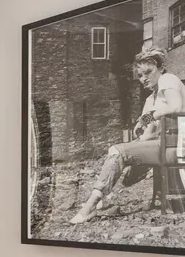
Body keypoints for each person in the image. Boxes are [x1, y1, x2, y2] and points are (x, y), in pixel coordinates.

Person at [71, 48, 185, 223]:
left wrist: (149, 116)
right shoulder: (150, 99)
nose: (144, 78)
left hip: (178, 144)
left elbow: (176, 107)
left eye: (148, 72)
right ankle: (101, 197)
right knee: (119, 154)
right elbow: (148, 136)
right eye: (140, 75)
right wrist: (136, 138)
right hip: (165, 145)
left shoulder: (168, 79)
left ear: (161, 68)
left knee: (118, 152)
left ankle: (90, 206)